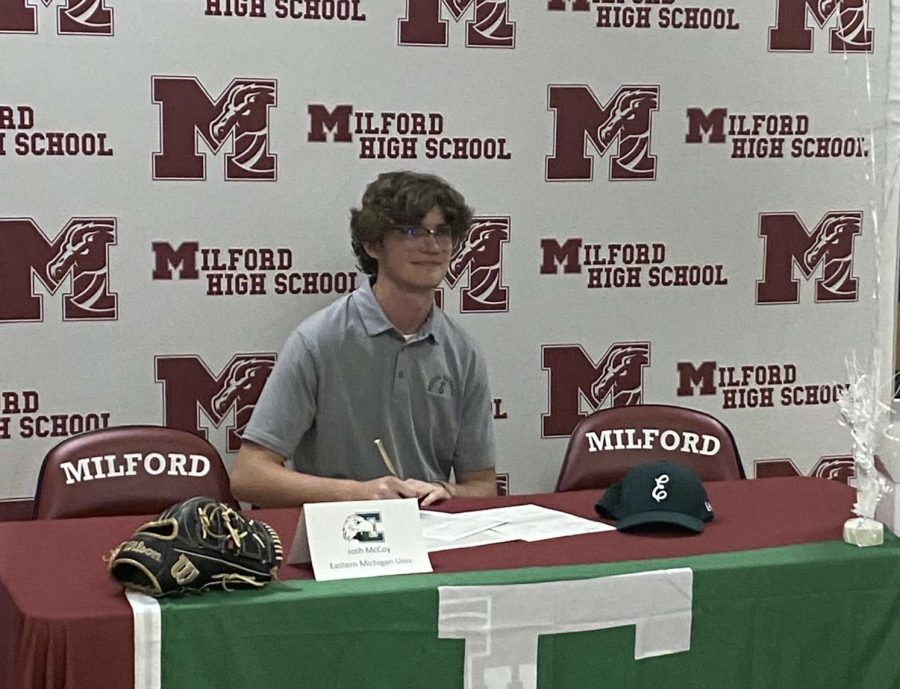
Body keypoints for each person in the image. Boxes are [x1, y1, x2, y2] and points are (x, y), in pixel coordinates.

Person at [231, 171, 498, 508]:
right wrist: (360, 494)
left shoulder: (462, 351)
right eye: (413, 231)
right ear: (373, 245)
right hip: (341, 538)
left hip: (431, 534)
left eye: (442, 232)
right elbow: (249, 476)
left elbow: (483, 485)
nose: (432, 246)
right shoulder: (318, 341)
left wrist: (448, 491)